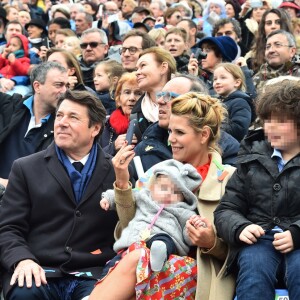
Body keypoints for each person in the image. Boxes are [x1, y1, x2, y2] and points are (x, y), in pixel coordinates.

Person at [90, 91, 237, 299]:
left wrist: (211, 242)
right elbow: (132, 226)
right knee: (139, 262)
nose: (171, 140)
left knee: (138, 260)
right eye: (169, 132)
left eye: (179, 132)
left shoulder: (229, 178)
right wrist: (122, 182)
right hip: (149, 264)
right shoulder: (161, 171)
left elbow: (241, 250)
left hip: (199, 275)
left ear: (204, 135)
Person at [0, 89, 122, 300]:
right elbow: (8, 227)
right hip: (38, 267)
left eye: (73, 117)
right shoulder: (25, 168)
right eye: (60, 115)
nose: (62, 123)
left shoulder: (117, 171)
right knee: (24, 294)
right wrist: (22, 259)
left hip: (93, 273)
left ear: (95, 128)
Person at [214, 79, 300, 300]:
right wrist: (240, 227)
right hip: (259, 240)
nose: (270, 127)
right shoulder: (251, 158)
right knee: (253, 273)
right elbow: (226, 209)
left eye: (280, 121)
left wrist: (297, 233)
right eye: (267, 120)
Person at [98, 159, 201, 277]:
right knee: (112, 265)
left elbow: (188, 234)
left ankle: (158, 257)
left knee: (163, 241)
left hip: (162, 239)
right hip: (133, 242)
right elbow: (126, 195)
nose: (168, 194)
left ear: (184, 197)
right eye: (163, 188)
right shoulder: (144, 196)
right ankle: (102, 283)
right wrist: (108, 199)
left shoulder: (183, 211)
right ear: (152, 188)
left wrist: (196, 225)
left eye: (176, 192)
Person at [134, 73, 240, 170]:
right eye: (160, 95)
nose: (160, 101)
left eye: (169, 96)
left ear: (196, 104)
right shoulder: (144, 147)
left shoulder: (229, 149)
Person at [0, 61, 68, 188]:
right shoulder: (10, 105)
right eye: (59, 85)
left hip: (26, 200)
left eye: (66, 85)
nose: (64, 91)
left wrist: (7, 185)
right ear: (37, 86)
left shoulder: (63, 126)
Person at [132, 46, 176, 140]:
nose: (137, 72)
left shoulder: (185, 103)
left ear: (163, 68)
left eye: (143, 65)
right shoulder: (134, 114)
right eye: (136, 69)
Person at [100, 71, 142, 156]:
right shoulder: (104, 126)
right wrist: (113, 147)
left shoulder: (149, 125)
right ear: (118, 99)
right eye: (127, 92)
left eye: (138, 93)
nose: (132, 98)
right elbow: (92, 159)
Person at [213, 63, 253, 142]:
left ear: (237, 82)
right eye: (215, 79)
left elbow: (239, 129)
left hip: (231, 147)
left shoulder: (240, 102)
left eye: (223, 78)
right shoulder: (214, 102)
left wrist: (213, 127)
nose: (217, 82)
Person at [245, 8, 293, 73]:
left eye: (278, 22)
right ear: (263, 28)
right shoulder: (252, 58)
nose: (273, 26)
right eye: (269, 23)